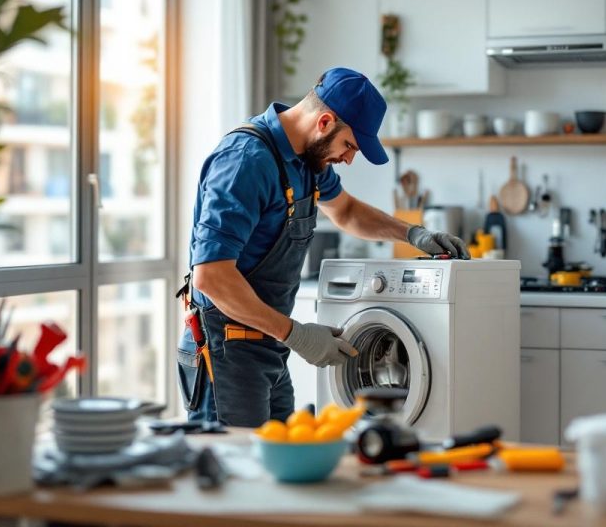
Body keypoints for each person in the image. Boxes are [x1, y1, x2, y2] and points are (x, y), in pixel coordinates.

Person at [177, 67, 470, 427]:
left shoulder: (306, 162)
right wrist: (296, 334)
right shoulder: (245, 162)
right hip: (226, 353)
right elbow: (211, 277)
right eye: (349, 145)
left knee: (280, 468)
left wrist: (413, 234)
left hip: (269, 348)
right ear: (325, 121)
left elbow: (345, 211)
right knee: (238, 475)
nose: (349, 159)